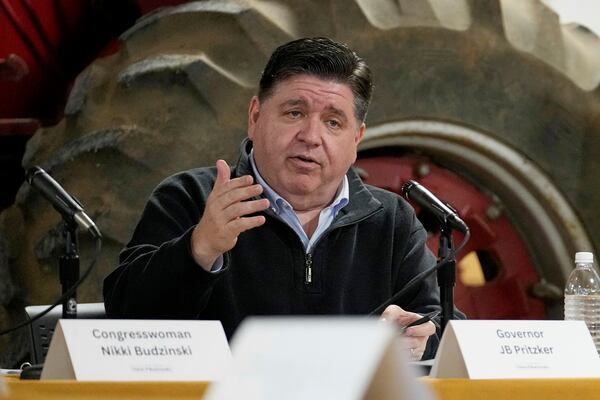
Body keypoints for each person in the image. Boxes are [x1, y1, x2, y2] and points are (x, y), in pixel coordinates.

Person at [104, 37, 461, 360]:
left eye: (333, 122)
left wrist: (418, 337)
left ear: (357, 139)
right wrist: (199, 248)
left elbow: (443, 324)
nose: (311, 136)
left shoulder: (391, 221)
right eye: (295, 113)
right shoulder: (190, 198)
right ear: (255, 116)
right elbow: (125, 319)